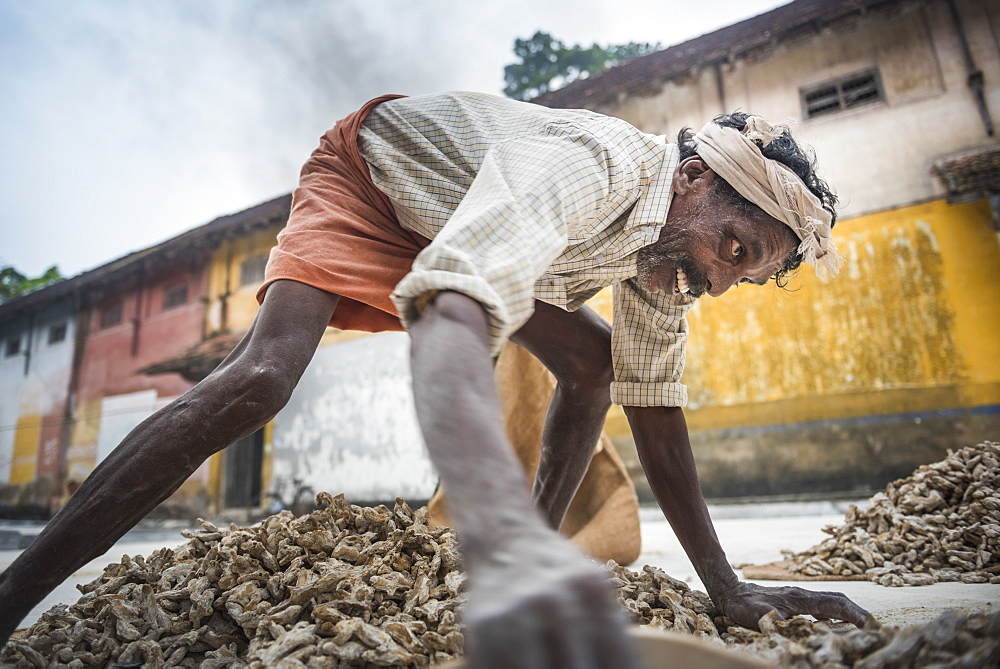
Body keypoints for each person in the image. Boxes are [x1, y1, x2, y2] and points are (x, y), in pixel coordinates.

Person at [0, 92, 870, 666]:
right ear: (693, 180)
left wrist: (727, 586)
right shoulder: (598, 166)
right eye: (735, 250)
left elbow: (654, 404)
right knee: (260, 378)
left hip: (469, 233)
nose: (720, 281)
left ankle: (538, 532)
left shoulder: (665, 259)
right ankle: (15, 591)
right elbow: (451, 309)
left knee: (598, 362)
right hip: (372, 184)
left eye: (742, 276)